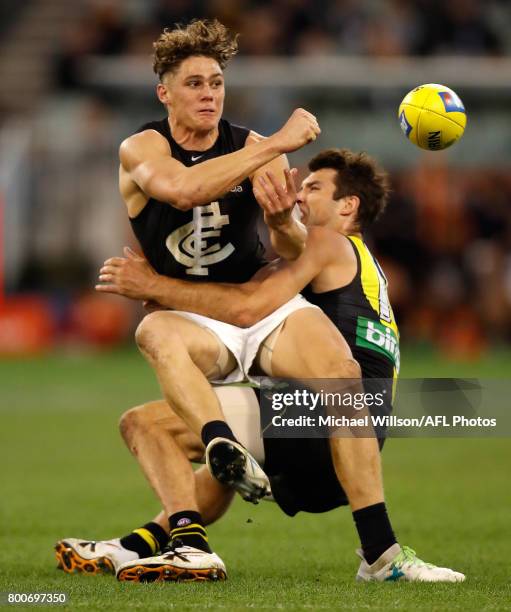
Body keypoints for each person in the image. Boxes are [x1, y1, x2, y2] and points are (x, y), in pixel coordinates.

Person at [56, 149, 465, 583]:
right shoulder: (361, 264)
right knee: (224, 451)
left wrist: (155, 285)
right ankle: (135, 546)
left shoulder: (328, 243)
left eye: (313, 187)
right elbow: (234, 301)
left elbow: (247, 308)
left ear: (349, 206)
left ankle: (383, 556)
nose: (300, 195)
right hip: (349, 445)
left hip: (324, 423)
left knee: (147, 426)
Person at [114, 18, 324, 500]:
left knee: (341, 384)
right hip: (193, 318)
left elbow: (296, 249)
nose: (209, 94)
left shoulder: (253, 148)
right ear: (163, 94)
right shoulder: (143, 146)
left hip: (258, 304)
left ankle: (375, 537)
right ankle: (219, 452)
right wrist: (276, 142)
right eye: (193, 84)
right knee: (154, 342)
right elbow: (182, 191)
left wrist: (280, 224)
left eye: (216, 83)